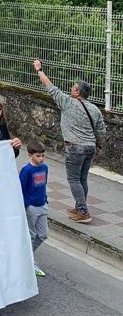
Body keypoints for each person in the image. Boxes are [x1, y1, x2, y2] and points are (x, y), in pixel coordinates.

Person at [33, 59, 106, 224]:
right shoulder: (95, 109)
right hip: (90, 148)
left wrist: (39, 70)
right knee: (82, 179)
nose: (70, 89)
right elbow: (101, 131)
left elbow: (50, 87)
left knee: (73, 179)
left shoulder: (67, 102)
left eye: (73, 87)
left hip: (75, 148)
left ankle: (83, 212)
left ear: (77, 91)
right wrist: (98, 144)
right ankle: (79, 205)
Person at [19, 139, 49, 277]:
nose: (41, 158)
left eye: (43, 155)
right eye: (38, 155)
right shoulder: (26, 170)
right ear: (30, 155)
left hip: (42, 205)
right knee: (31, 236)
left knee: (43, 235)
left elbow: (44, 185)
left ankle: (25, 255)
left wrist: (46, 200)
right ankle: (29, 262)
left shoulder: (45, 168)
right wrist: (26, 205)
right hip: (31, 208)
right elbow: (20, 189)